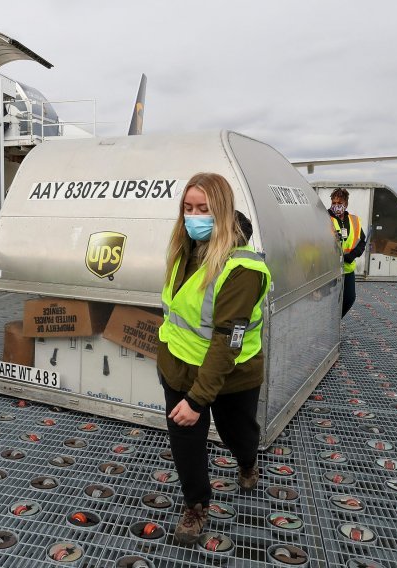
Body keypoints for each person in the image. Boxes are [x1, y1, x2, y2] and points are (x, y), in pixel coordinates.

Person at [157, 173, 272, 545]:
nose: (194, 216)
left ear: (221, 212)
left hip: (231, 376)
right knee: (185, 444)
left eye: (203, 209)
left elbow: (228, 341)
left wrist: (197, 399)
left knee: (237, 434)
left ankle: (247, 463)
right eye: (188, 208)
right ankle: (196, 505)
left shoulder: (242, 269)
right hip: (179, 369)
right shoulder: (184, 251)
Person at [328, 188, 365, 318]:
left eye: (339, 203)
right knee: (327, 301)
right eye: (334, 203)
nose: (336, 206)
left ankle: (335, 321)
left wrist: (352, 255)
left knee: (349, 298)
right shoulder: (324, 218)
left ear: (346, 204)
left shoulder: (354, 221)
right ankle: (328, 325)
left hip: (347, 268)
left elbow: (361, 242)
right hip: (329, 269)